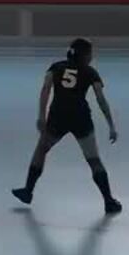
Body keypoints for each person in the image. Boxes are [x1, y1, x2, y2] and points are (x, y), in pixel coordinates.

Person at [12, 38, 122, 215]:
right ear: (85, 55)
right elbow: (100, 99)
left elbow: (45, 89)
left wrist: (41, 115)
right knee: (93, 159)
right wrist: (111, 125)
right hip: (81, 118)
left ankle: (28, 190)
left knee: (41, 150)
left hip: (58, 117)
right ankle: (109, 201)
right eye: (90, 54)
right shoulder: (90, 72)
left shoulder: (56, 67)